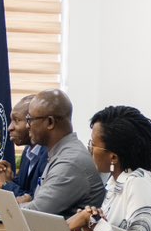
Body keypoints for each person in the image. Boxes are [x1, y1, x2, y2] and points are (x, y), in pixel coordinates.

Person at [67, 105, 151, 231]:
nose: (90, 150)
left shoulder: (140, 183)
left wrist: (91, 221)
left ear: (113, 157)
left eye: (93, 145)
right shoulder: (114, 182)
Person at [19, 89, 105, 218]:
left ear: (50, 122)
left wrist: (8, 208)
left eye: (30, 119)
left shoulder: (70, 162)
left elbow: (35, 213)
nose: (27, 126)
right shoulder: (60, 152)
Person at [0, 95, 49, 198]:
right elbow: (24, 192)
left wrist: (5, 184)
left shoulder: (49, 154)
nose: (9, 128)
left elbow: (36, 201)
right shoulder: (28, 151)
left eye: (17, 120)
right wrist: (9, 179)